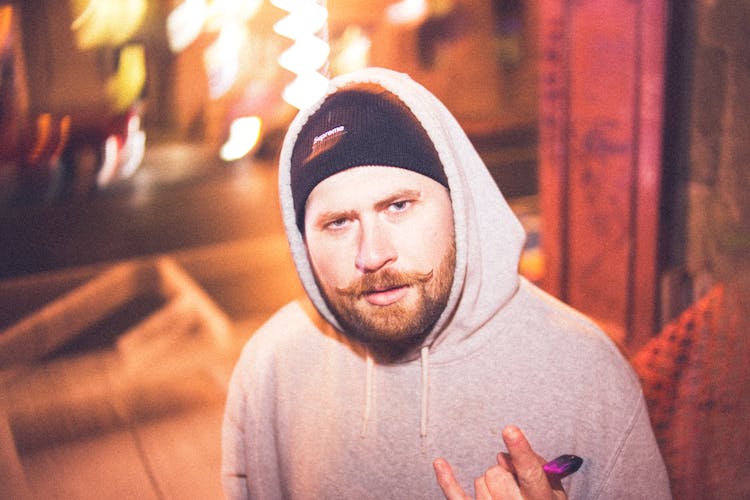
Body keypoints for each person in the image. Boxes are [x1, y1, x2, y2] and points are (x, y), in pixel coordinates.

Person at [221, 67, 671, 499]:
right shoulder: (271, 367)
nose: (372, 254)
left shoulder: (587, 376)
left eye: (398, 206)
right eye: (338, 222)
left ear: (460, 205)